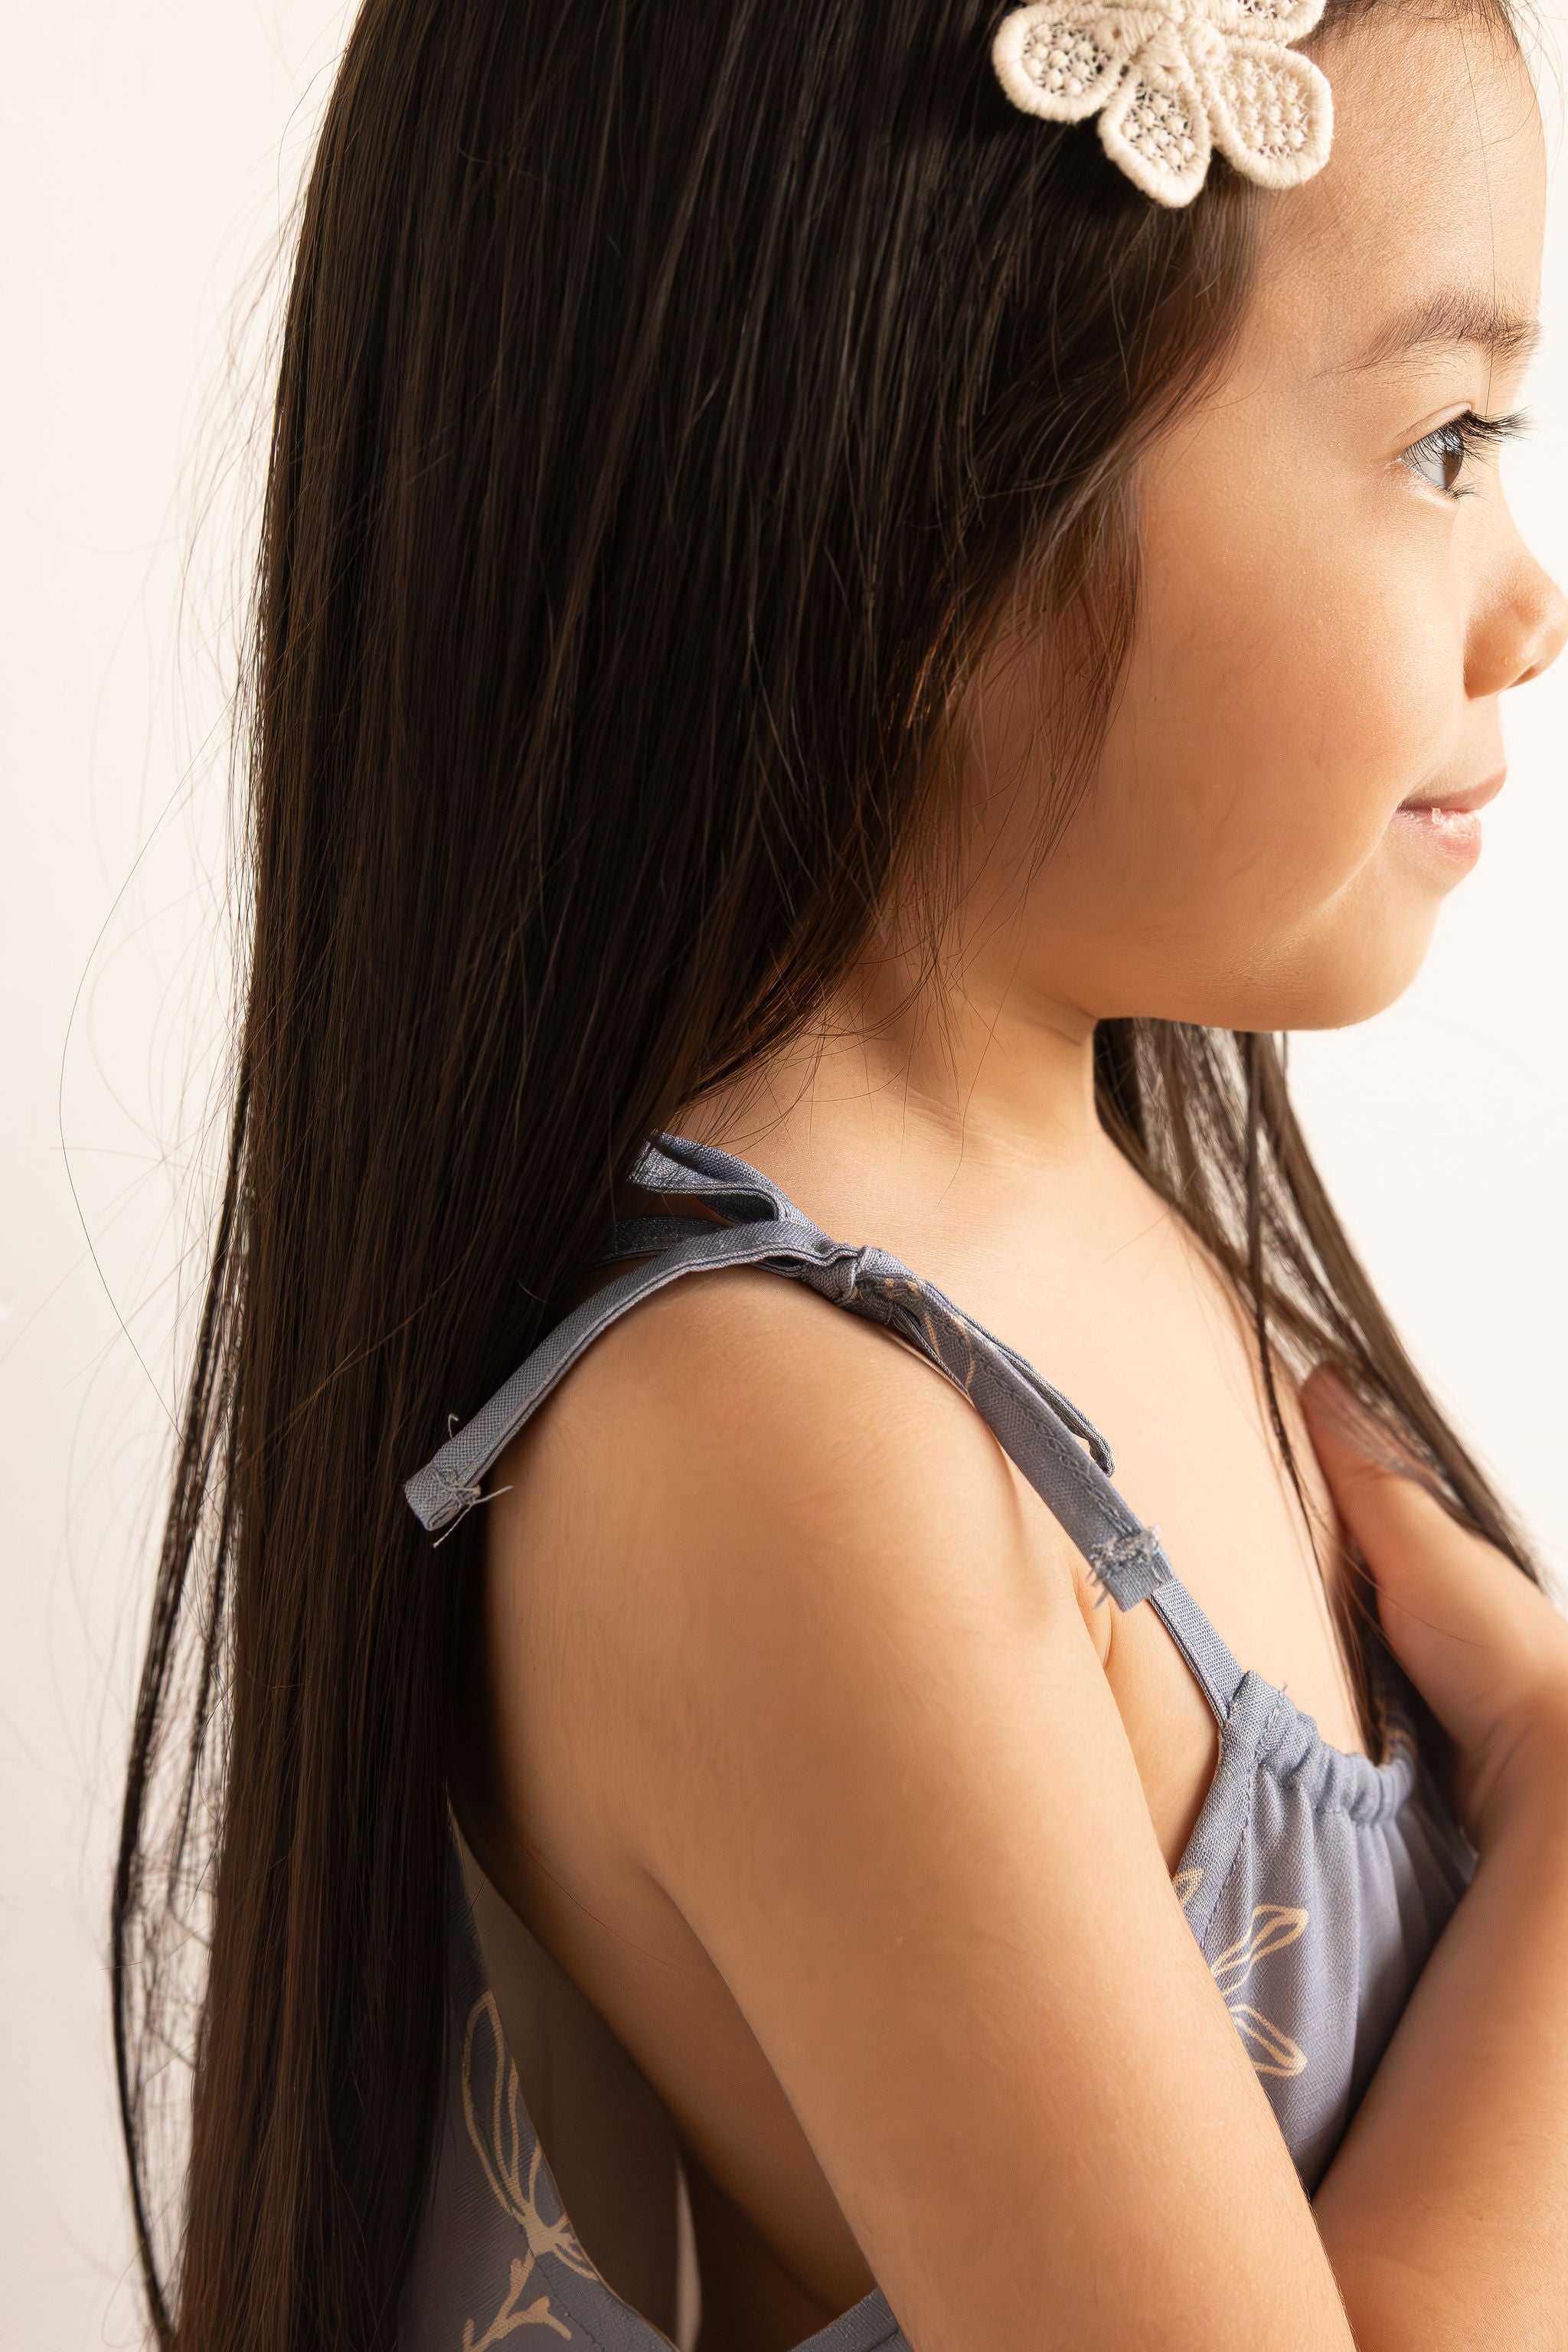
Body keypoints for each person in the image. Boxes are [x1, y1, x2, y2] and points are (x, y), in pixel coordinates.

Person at [115, 2, 1568, 2347]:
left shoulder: (1089, 1240)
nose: (1532, 598)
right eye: (1445, 444)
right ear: (920, 496)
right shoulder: (789, 1457)